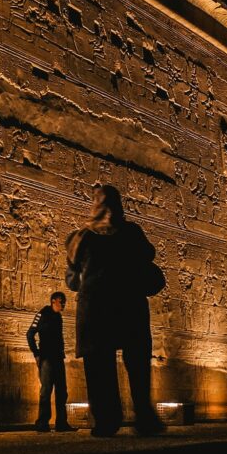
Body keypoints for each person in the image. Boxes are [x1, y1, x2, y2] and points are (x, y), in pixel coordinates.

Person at [65, 183, 166, 437]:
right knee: (137, 363)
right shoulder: (131, 232)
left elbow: (72, 278)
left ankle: (107, 420)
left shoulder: (82, 237)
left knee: (100, 367)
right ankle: (144, 415)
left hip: (95, 309)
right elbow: (148, 255)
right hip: (128, 305)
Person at [26, 291, 76, 432]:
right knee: (46, 391)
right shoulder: (42, 314)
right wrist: (36, 354)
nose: (64, 304)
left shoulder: (58, 317)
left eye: (65, 302)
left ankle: (61, 423)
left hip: (58, 358)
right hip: (47, 358)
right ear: (53, 301)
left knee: (62, 391)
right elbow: (30, 334)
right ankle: (42, 423)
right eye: (61, 302)